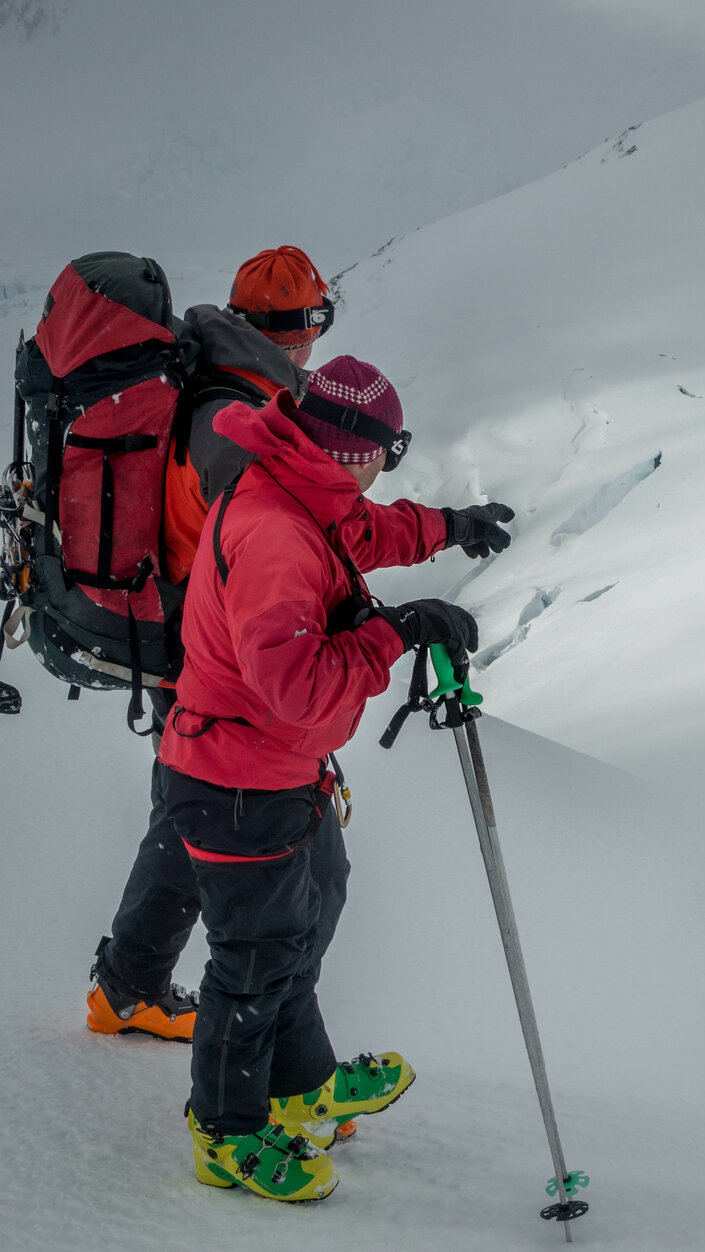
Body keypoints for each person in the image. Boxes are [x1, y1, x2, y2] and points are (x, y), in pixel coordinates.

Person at [154, 355, 513, 1200]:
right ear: (357, 453)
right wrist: (393, 633)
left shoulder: (303, 487)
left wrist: (450, 526)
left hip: (278, 769)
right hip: (237, 781)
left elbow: (365, 532)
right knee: (254, 958)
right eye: (391, 449)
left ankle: (298, 1083)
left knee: (311, 909)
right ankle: (226, 1132)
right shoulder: (278, 536)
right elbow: (299, 686)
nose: (390, 463)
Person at [86, 247, 337, 1043]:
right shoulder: (236, 417)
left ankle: (128, 988)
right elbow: (268, 544)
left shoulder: (211, 380)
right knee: (312, 862)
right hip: (223, 664)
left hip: (181, 642)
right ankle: (278, 1059)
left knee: (184, 819)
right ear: (299, 332)